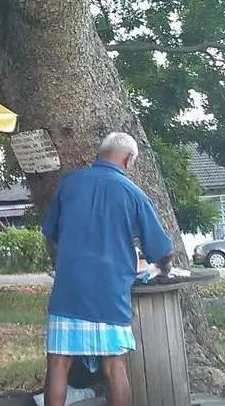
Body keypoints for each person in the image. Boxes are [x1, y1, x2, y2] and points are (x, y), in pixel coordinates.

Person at [42, 132, 174, 406]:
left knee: (58, 364)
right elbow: (162, 249)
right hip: (110, 296)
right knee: (114, 369)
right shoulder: (133, 193)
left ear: (100, 154)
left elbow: (51, 234)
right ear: (128, 159)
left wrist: (62, 263)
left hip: (68, 292)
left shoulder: (70, 183)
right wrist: (164, 267)